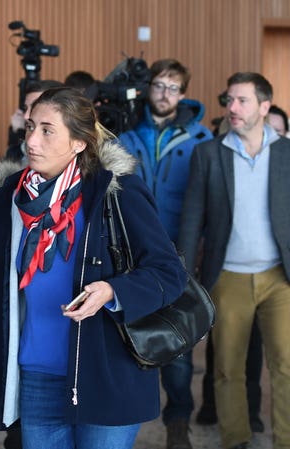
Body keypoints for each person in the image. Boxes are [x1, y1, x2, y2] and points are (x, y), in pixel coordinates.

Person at [0, 86, 187, 449]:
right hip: (37, 371)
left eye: (47, 130)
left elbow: (169, 273)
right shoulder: (10, 199)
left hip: (106, 372)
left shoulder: (117, 192)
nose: (32, 140)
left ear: (79, 142)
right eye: (29, 127)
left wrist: (113, 291)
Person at [179, 72, 290, 449]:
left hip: (280, 278)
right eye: (229, 100)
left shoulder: (287, 153)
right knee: (227, 367)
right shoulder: (208, 153)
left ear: (264, 106)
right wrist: (185, 276)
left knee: (286, 366)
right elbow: (193, 218)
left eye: (242, 100)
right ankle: (236, 439)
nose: (232, 108)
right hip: (227, 276)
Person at [118, 58, 213, 449]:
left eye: (173, 87)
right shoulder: (123, 133)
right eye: (158, 85)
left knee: (177, 342)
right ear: (147, 89)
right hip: (128, 252)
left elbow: (209, 202)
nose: (164, 94)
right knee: (127, 338)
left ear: (184, 93)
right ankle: (124, 418)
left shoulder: (201, 139)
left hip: (178, 253)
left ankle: (177, 423)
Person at [6, 79, 63, 162]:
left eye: (35, 107)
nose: (26, 116)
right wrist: (16, 133)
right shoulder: (18, 152)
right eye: (25, 108)